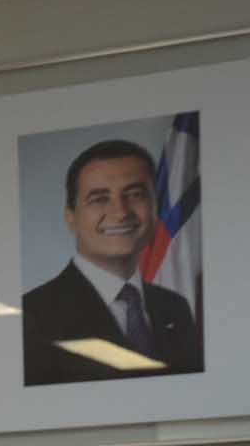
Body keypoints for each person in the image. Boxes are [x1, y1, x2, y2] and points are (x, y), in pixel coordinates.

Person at [20, 139, 201, 386]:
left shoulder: (175, 308)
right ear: (70, 217)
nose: (120, 212)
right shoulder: (32, 317)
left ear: (155, 208)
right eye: (99, 198)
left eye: (135, 194)